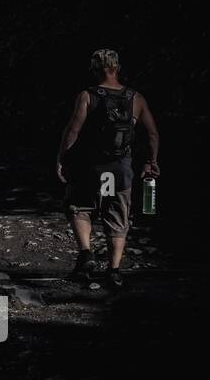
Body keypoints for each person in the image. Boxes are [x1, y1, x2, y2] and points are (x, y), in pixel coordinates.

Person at [55, 49, 160, 288]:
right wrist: (152, 161)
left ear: (94, 70)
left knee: (79, 207)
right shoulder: (136, 98)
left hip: (89, 168)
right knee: (118, 217)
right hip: (120, 170)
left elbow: (73, 130)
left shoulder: (88, 96)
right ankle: (114, 271)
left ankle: (86, 254)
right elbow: (152, 134)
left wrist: (62, 158)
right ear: (117, 68)